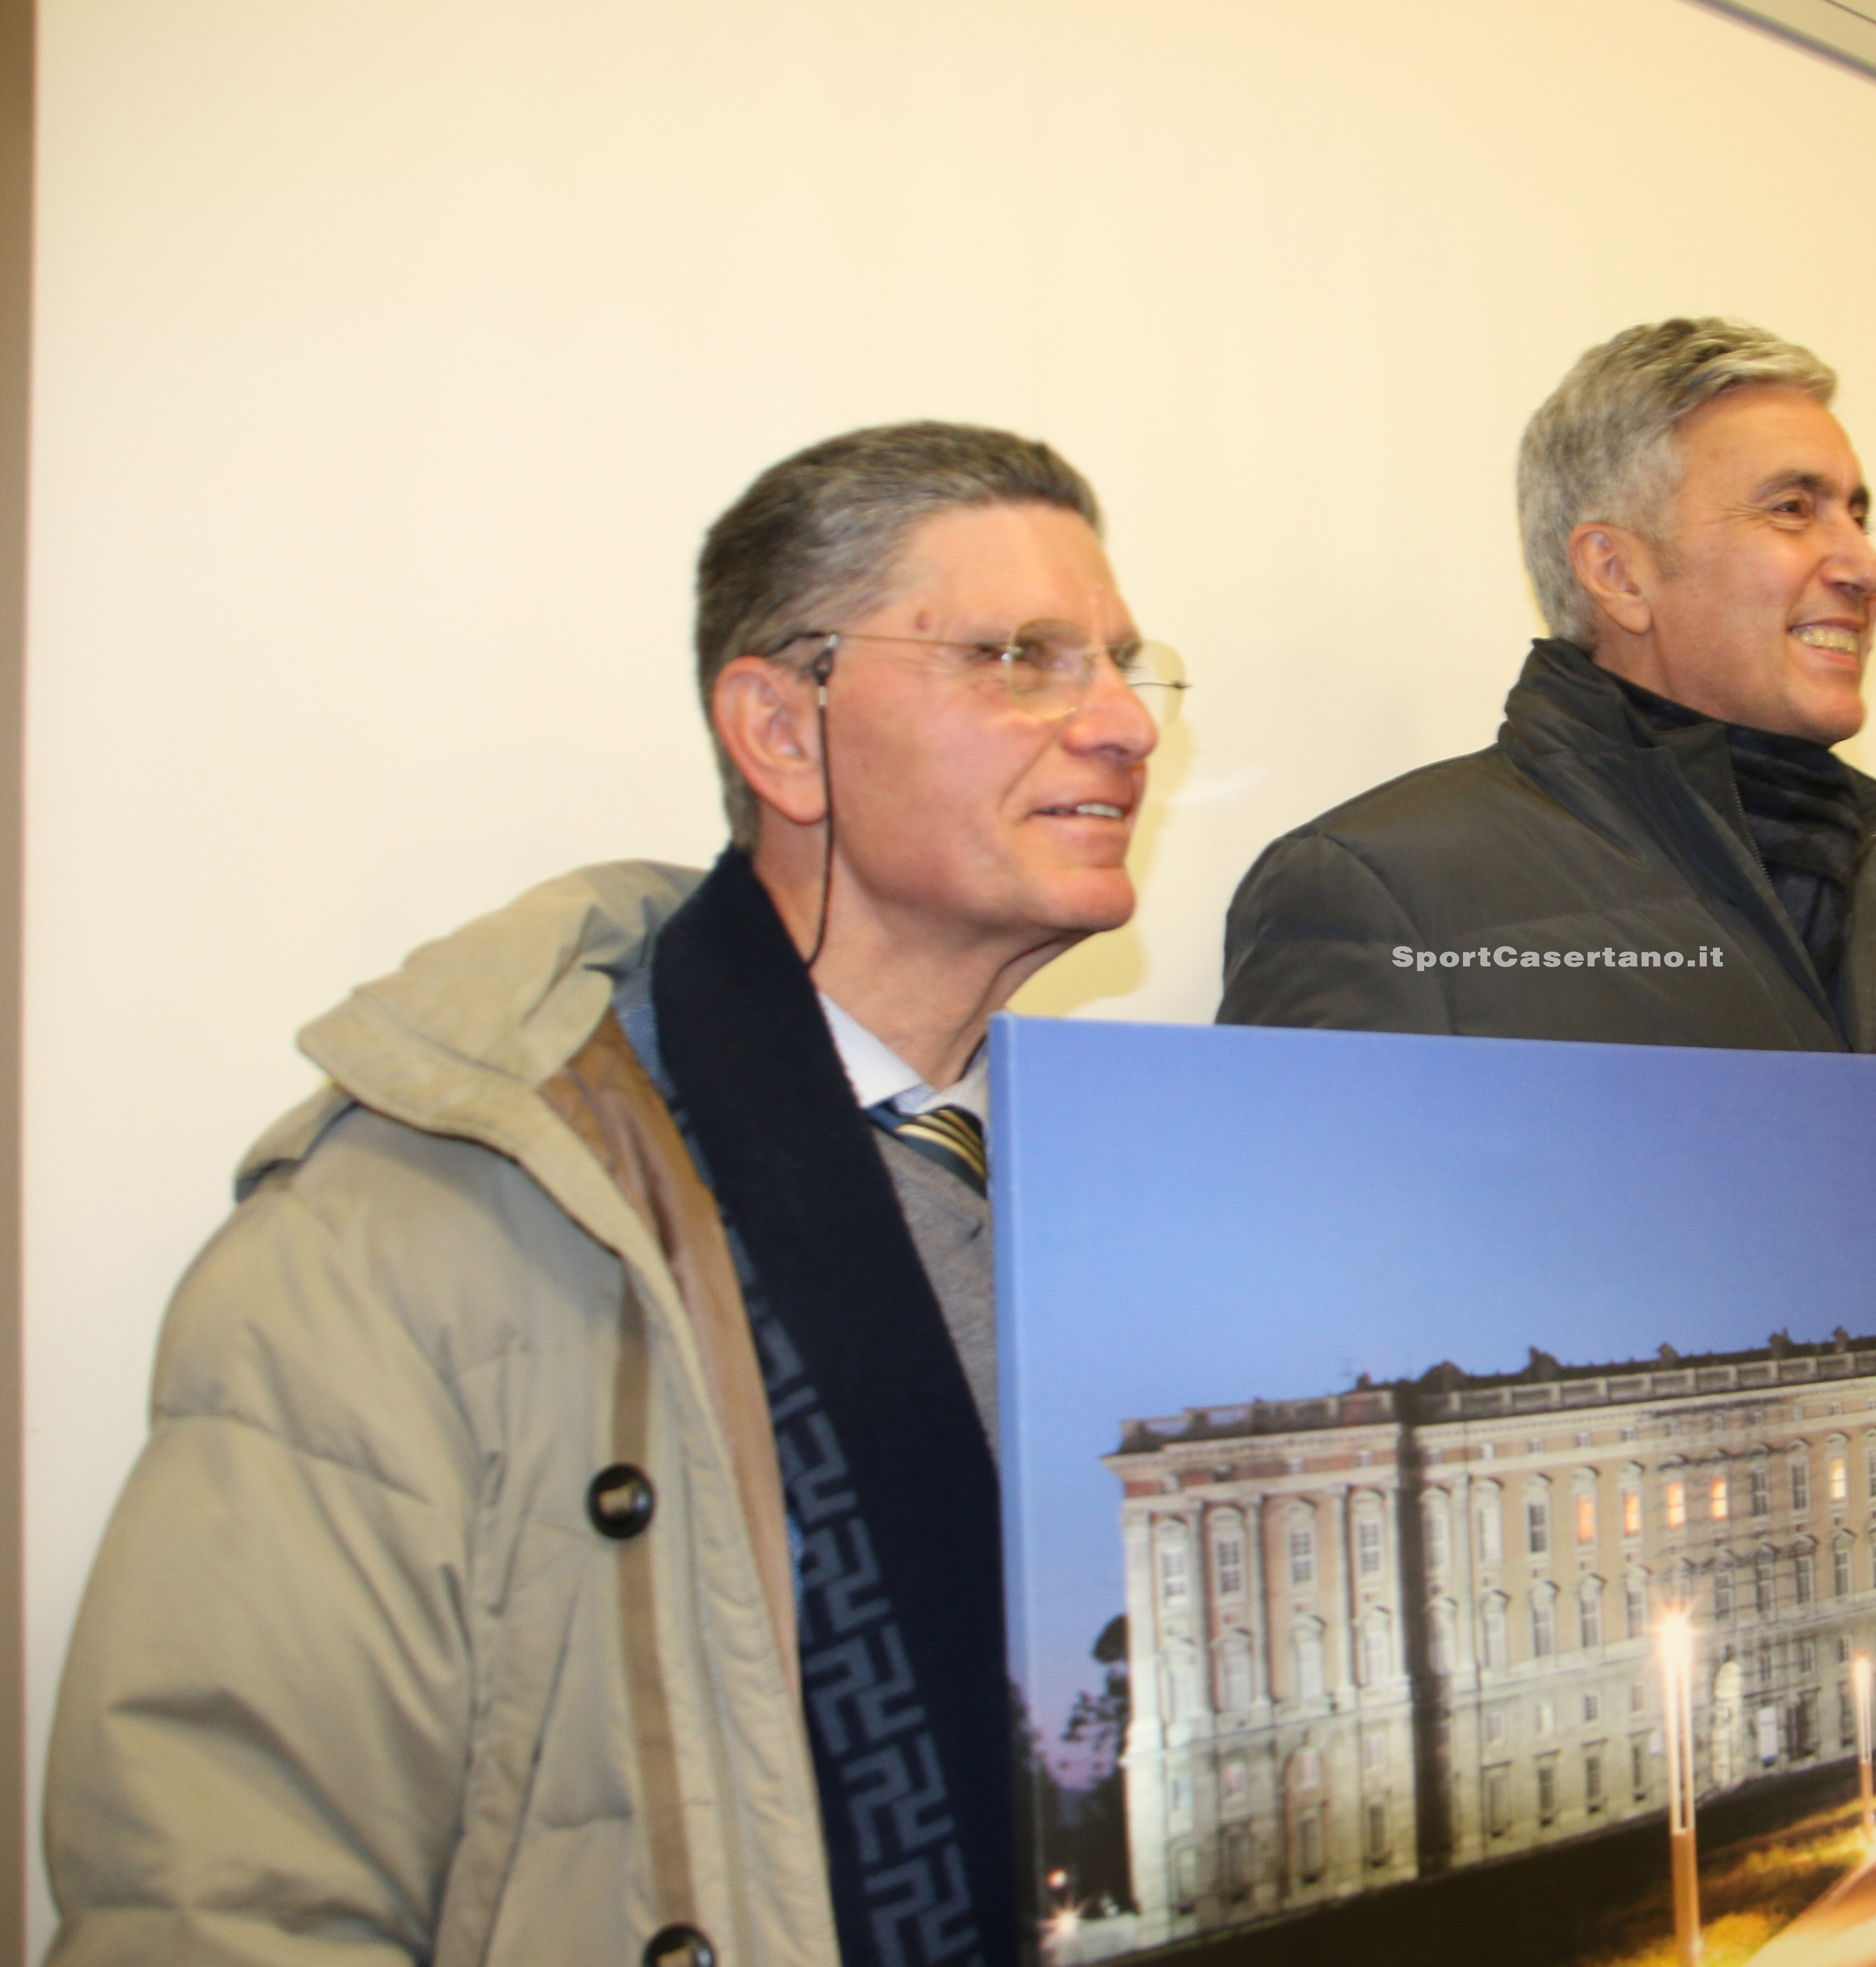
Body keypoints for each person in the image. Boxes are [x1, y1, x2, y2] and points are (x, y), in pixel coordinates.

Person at [42, 422, 1180, 1967]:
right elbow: (225, 1900)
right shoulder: (417, 1230)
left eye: (1122, 663)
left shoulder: (1143, 1193)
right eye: (1022, 657)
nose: (1122, 724)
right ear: (784, 732)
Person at [1218, 316, 1876, 1049]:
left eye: (1857, 515)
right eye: (1792, 509)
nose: (1864, 566)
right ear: (1617, 574)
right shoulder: (1379, 892)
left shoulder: (1822, 852)